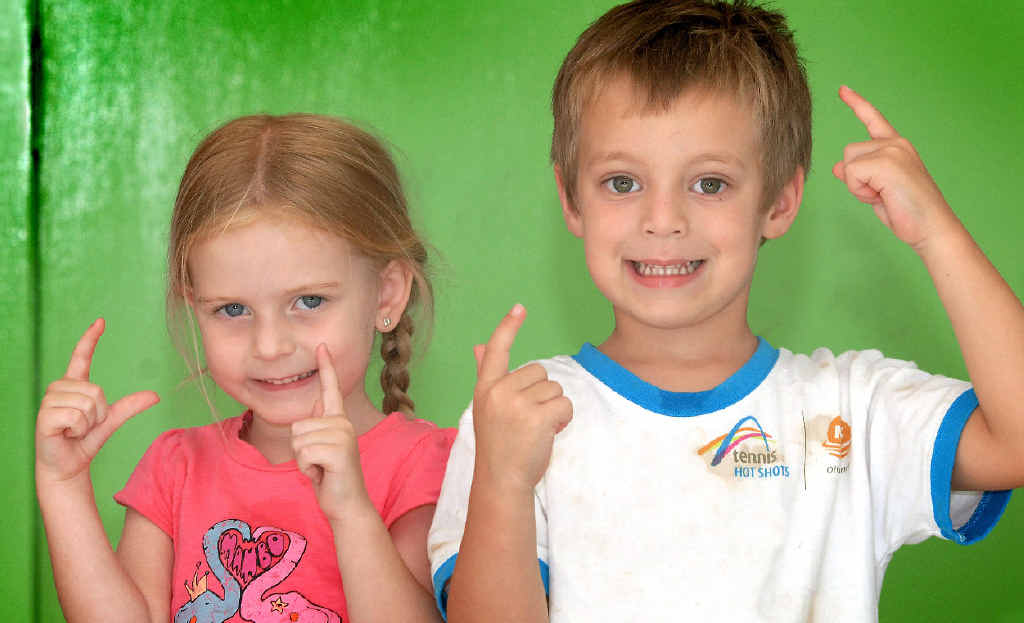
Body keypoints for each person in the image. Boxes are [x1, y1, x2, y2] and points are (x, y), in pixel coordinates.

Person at [427, 1, 1022, 621]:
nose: (663, 221)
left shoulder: (850, 413)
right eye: (622, 183)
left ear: (780, 201)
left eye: (709, 183)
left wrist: (938, 234)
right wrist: (502, 482)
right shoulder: (516, 425)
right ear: (571, 198)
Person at [35, 114, 454, 622]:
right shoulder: (175, 469)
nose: (270, 345)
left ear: (386, 292)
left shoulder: (429, 466)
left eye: (309, 300)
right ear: (195, 306)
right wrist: (63, 487)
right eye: (232, 310)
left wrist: (352, 515)